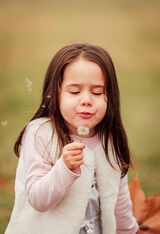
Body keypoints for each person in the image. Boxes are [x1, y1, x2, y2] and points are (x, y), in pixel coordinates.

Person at [5, 43, 139, 234]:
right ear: (56, 93)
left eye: (97, 92)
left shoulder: (110, 141)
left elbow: (119, 201)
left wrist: (130, 231)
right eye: (74, 91)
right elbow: (38, 200)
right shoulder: (41, 134)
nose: (86, 99)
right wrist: (64, 168)